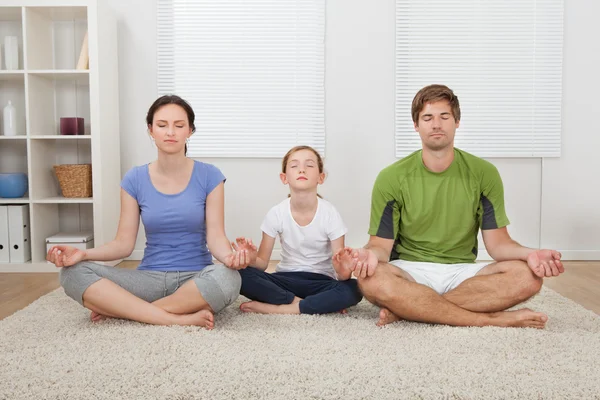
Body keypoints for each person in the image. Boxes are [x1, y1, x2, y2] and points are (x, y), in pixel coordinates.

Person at [337, 84, 564, 329]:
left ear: (456, 122)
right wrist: (368, 255)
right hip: (410, 271)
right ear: (416, 125)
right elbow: (381, 246)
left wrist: (531, 254)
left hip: (463, 272)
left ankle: (408, 310)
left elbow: (499, 245)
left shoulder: (484, 174)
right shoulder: (391, 177)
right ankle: (489, 319)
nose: (436, 124)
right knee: (371, 280)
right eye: (427, 118)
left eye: (444, 116)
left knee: (528, 277)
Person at [48, 95, 251, 329]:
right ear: (151, 130)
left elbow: (216, 237)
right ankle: (174, 316)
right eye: (162, 125)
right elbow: (123, 244)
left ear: (190, 131)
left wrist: (231, 259)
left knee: (229, 278)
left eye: (179, 125)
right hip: (147, 279)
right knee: (71, 273)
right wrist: (83, 254)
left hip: (195, 279)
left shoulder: (210, 176)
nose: (170, 132)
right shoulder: (134, 178)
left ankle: (127, 310)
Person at [232, 145, 362, 315]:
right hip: (285, 279)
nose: (302, 170)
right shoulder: (276, 213)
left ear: (321, 177)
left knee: (355, 288)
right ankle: (302, 304)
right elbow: (262, 264)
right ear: (284, 177)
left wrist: (345, 269)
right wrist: (249, 259)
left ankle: (281, 307)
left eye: (309, 165)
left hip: (321, 282)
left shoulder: (330, 214)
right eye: (294, 166)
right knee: (238, 274)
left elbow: (341, 275)